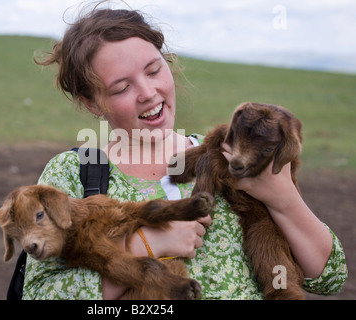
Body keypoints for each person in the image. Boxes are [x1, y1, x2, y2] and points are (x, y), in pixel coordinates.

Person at [22, 6, 347, 300]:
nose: (148, 94)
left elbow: (328, 278)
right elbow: (39, 295)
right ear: (92, 102)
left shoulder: (229, 155)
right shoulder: (74, 174)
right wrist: (147, 244)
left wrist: (282, 197)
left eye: (153, 70)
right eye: (122, 88)